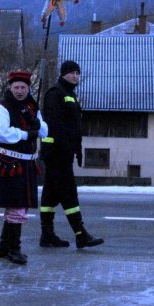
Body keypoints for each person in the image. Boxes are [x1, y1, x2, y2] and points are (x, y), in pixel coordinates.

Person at [40, 60, 104, 249]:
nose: (75, 76)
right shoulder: (55, 93)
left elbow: (74, 127)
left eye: (77, 73)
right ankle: (80, 234)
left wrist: (77, 150)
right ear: (63, 74)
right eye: (71, 73)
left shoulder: (70, 95)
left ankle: (47, 235)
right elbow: (56, 125)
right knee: (69, 193)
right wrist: (66, 147)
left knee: (50, 196)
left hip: (64, 153)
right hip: (56, 153)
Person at [0, 70, 48, 265]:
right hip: (11, 163)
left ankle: (3, 247)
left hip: (27, 162)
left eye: (23, 87)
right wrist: (25, 134)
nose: (20, 91)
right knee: (16, 206)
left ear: (28, 87)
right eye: (16, 87)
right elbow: (0, 134)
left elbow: (44, 131)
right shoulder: (3, 107)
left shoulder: (32, 105)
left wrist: (38, 125)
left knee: (17, 205)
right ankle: (14, 248)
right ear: (10, 87)